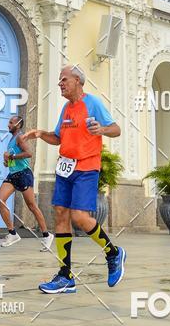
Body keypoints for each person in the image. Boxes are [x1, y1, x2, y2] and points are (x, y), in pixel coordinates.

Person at [23, 64, 126, 294]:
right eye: (60, 80)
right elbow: (58, 137)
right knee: (60, 214)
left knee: (80, 216)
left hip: (87, 167)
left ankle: (113, 253)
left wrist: (101, 130)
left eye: (64, 80)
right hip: (65, 168)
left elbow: (116, 129)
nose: (60, 84)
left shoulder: (93, 103)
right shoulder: (67, 109)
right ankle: (65, 275)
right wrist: (40, 134)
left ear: (78, 81)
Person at [0, 114, 53, 250]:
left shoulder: (20, 138)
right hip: (13, 175)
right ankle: (12, 233)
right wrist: (7, 161)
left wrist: (12, 156)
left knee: (32, 206)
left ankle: (46, 235)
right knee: (0, 201)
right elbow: (11, 160)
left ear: (18, 125)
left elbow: (29, 153)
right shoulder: (11, 140)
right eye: (9, 122)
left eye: (11, 123)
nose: (8, 125)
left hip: (24, 174)